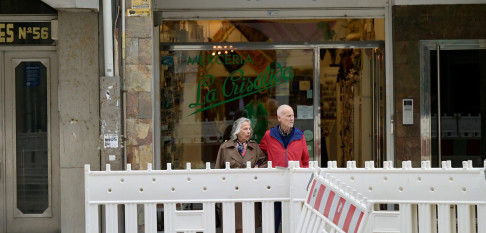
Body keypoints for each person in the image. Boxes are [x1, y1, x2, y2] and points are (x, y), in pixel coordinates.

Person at [259, 104, 310, 233]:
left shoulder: (300, 135)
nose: (292, 118)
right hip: (276, 182)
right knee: (274, 217)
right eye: (288, 116)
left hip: (295, 181)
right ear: (279, 118)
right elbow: (261, 152)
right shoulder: (269, 135)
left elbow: (305, 159)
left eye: (292, 115)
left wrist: (303, 178)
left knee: (294, 217)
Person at [215, 117, 267, 233]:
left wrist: (257, 168)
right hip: (231, 193)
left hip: (249, 191)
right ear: (237, 131)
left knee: (247, 226)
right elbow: (218, 170)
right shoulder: (225, 147)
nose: (248, 131)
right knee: (232, 226)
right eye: (245, 129)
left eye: (249, 129)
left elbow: (265, 162)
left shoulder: (254, 147)